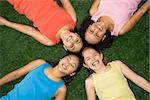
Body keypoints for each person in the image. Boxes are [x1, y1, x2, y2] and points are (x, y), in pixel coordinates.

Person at [0, 0, 83, 52]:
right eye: (77, 41)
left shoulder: (50, 41)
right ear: (77, 35)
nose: (72, 41)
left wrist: (6, 23)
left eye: (71, 46)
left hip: (21, 2)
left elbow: (29, 31)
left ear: (65, 47)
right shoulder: (72, 19)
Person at [0, 54, 81, 100]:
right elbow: (16, 74)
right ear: (61, 59)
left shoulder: (61, 89)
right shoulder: (40, 64)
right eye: (68, 59)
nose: (67, 63)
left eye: (72, 65)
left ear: (72, 73)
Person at [82, 47, 150, 100]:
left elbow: (138, 79)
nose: (93, 59)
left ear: (101, 55)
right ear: (86, 65)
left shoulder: (117, 65)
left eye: (94, 55)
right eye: (88, 59)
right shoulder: (90, 81)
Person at [79, 0, 149, 47]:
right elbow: (141, 11)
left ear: (89, 26)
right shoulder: (120, 29)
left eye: (91, 31)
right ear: (103, 37)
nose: (96, 30)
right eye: (97, 35)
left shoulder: (94, 12)